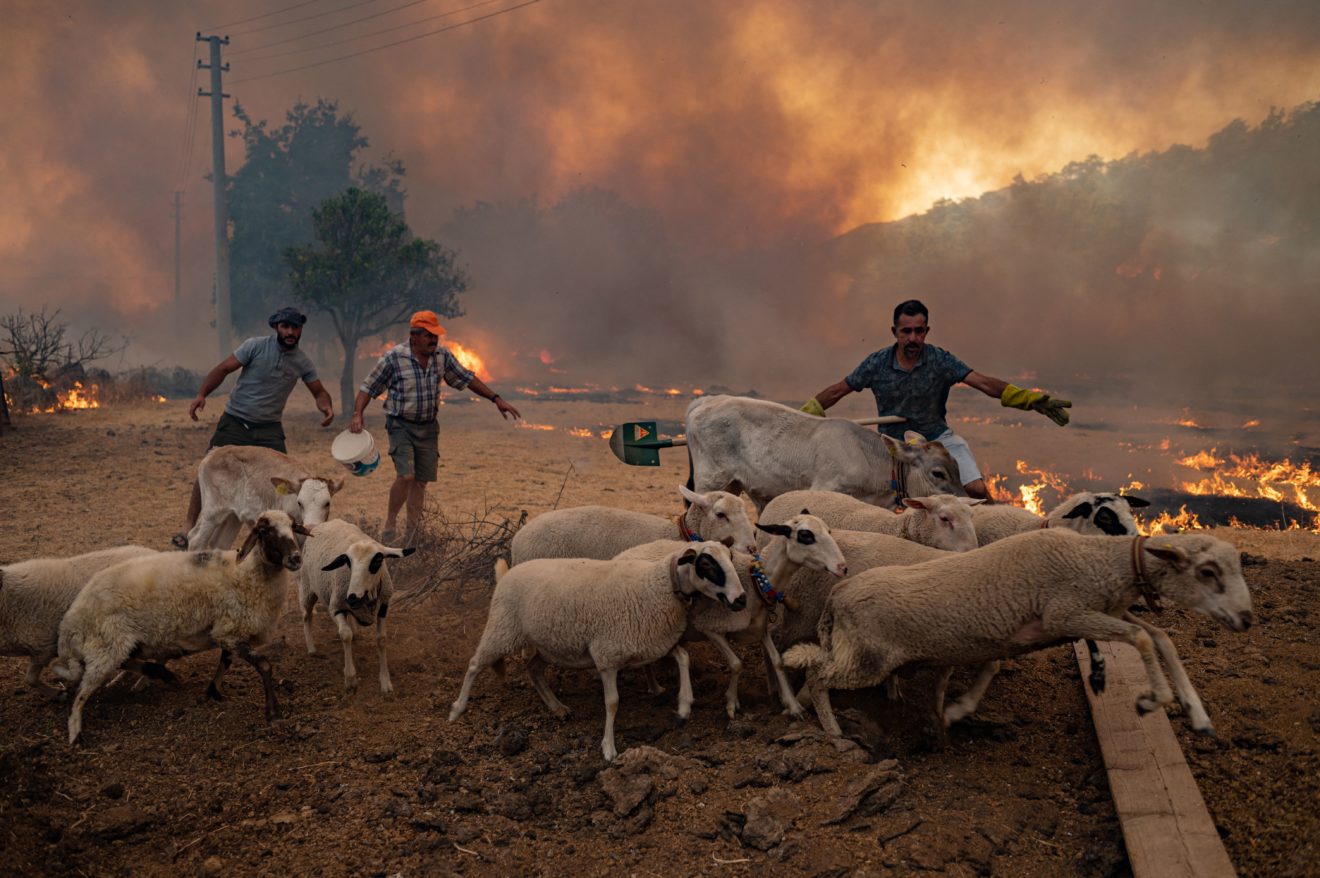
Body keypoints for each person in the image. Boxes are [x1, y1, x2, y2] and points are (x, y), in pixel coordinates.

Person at [801, 299, 1071, 501]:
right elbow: (839, 390)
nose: (912, 338)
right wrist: (804, 416)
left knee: (976, 492)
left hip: (938, 441)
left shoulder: (940, 360)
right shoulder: (876, 363)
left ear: (927, 331)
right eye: (906, 331)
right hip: (894, 450)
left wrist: (1030, 400)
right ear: (894, 331)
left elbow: (984, 383)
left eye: (919, 331)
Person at [350, 310, 522, 541]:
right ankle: (390, 523)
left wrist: (496, 399)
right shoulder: (394, 357)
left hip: (429, 427)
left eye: (435, 335)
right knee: (407, 476)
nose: (434, 340)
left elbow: (467, 378)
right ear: (414, 335)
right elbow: (368, 387)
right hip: (400, 424)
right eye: (428, 335)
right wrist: (357, 414)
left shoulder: (442, 355)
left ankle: (412, 533)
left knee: (420, 482)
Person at [172, 306, 335, 548]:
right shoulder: (255, 346)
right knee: (211, 466)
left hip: (269, 427)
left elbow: (319, 392)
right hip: (236, 420)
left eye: (295, 327)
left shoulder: (302, 362)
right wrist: (202, 394)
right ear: (276, 327)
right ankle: (188, 526)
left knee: (283, 482)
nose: (290, 332)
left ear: (301, 330)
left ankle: (273, 535)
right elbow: (223, 369)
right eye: (285, 327)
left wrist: (326, 408)